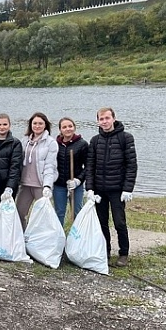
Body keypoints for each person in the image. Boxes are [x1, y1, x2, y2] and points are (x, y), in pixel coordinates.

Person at [86, 107, 137, 267]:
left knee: (119, 222)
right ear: (98, 121)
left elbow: (131, 165)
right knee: (102, 222)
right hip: (100, 190)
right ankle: (105, 251)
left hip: (117, 189)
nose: (104, 121)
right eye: (101, 119)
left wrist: (128, 188)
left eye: (107, 118)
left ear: (114, 118)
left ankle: (123, 253)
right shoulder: (95, 141)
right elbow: (90, 166)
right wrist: (90, 188)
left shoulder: (126, 138)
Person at [15, 112, 59, 229]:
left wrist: (47, 186)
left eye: (40, 123)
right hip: (25, 184)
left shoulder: (51, 143)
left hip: (40, 185)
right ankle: (22, 238)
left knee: (43, 216)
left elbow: (50, 166)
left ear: (45, 125)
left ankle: (43, 242)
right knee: (19, 213)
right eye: (35, 123)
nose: (37, 126)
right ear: (31, 125)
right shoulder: (24, 141)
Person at [53, 117, 88, 226]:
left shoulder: (82, 144)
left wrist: (78, 180)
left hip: (76, 184)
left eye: (70, 126)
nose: (68, 129)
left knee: (77, 212)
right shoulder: (55, 144)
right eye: (64, 127)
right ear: (60, 129)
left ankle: (77, 238)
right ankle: (59, 238)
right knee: (59, 213)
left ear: (74, 127)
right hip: (59, 185)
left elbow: (89, 166)